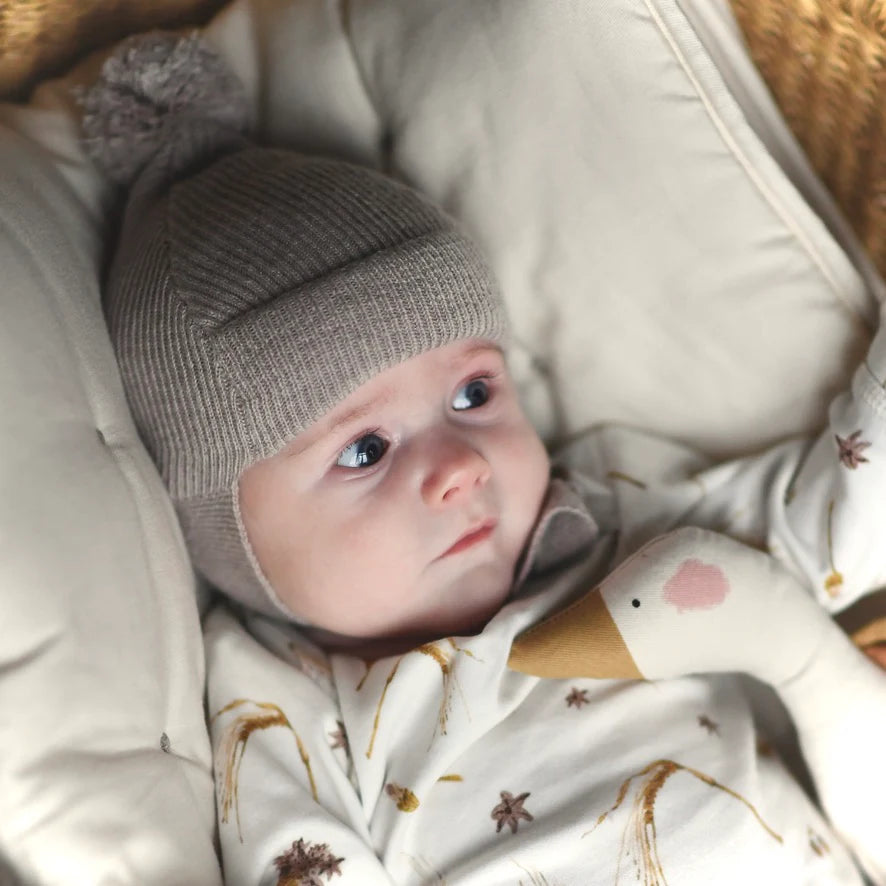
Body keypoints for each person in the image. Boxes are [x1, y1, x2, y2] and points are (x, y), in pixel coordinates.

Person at [82, 33, 886, 886]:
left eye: (472, 395)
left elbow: (829, 525)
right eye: (365, 449)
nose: (461, 467)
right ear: (229, 537)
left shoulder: (616, 524)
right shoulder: (280, 698)